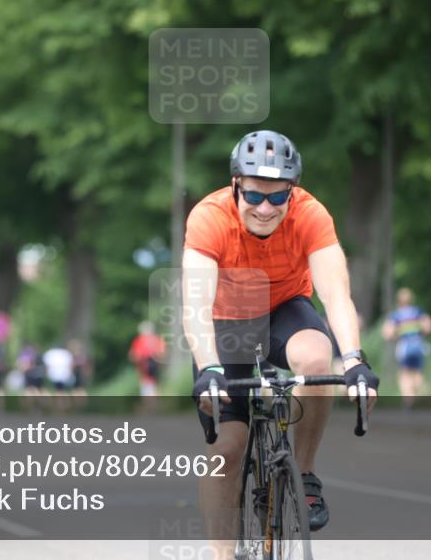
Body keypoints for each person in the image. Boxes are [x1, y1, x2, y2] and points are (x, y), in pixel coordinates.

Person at [183, 130, 379, 549]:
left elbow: (336, 295)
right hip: (225, 319)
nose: (266, 209)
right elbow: (195, 306)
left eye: (278, 197)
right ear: (236, 185)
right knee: (227, 451)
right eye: (254, 197)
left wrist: (355, 361)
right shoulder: (209, 217)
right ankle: (222, 555)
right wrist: (210, 369)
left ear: (292, 191)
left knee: (315, 357)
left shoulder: (310, 214)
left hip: (283, 307)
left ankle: (304, 475)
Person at [382, 288, 431, 406]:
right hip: (418, 345)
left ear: (398, 301)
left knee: (404, 374)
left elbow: (386, 333)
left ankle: (408, 401)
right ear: (411, 300)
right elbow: (429, 326)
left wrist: (396, 332)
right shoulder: (418, 312)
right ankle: (415, 395)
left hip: (404, 347)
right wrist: (420, 331)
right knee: (417, 372)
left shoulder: (396, 315)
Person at [129, 321, 167, 397]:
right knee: (155, 388)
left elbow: (133, 355)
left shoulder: (139, 341)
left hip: (146, 370)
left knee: (148, 388)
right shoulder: (157, 339)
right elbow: (164, 353)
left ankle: (151, 404)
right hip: (154, 369)